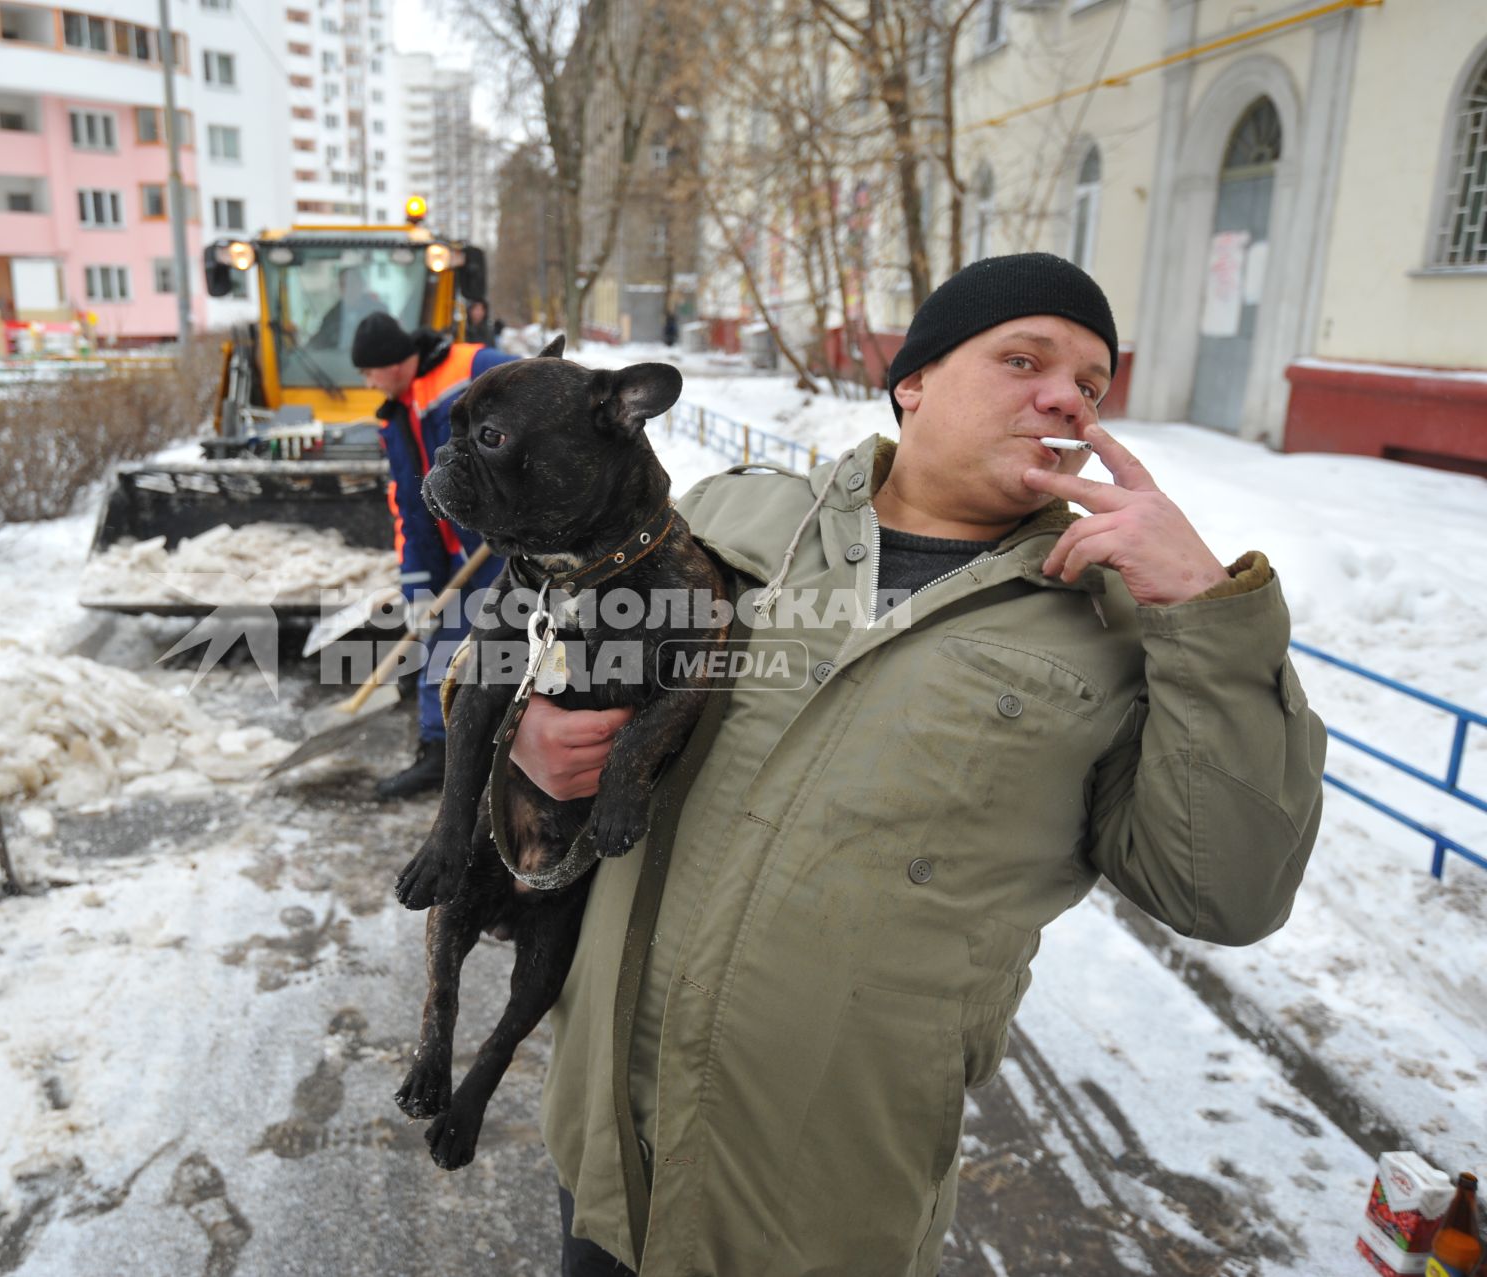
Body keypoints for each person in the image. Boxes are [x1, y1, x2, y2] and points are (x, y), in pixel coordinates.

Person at [508, 254, 1328, 1275]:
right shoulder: (728, 521)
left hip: (821, 1204)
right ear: (916, 380)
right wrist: (528, 741)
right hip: (603, 1153)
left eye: (1089, 384)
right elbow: (536, 666)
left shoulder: (1119, 622)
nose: (1062, 398)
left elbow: (1227, 890)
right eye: (1023, 358)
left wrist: (1204, 609)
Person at [351, 311, 515, 799]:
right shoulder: (398, 413)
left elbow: (548, 395)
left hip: (500, 543)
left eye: (368, 372)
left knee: (465, 648)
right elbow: (409, 507)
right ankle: (446, 753)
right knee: (443, 643)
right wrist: (418, 588)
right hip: (457, 555)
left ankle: (458, 757)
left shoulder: (473, 366)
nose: (366, 382)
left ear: (392, 363)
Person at [311, 265, 389, 350]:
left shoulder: (379, 312)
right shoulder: (331, 318)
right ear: (340, 288)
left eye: (352, 284)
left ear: (361, 285)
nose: (348, 289)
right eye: (343, 284)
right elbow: (316, 345)